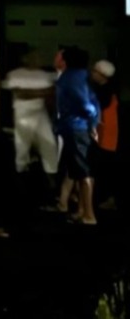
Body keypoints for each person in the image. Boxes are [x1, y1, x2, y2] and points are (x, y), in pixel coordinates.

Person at [50, 45, 101, 224]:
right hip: (79, 127)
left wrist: (91, 116)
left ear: (66, 60)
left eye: (59, 55)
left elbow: (85, 103)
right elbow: (94, 101)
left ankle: (88, 214)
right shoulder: (84, 75)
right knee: (79, 171)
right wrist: (94, 122)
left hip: (75, 127)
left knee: (83, 171)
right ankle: (81, 210)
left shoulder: (70, 77)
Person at [3, 48, 59, 182]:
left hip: (40, 114)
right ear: (25, 59)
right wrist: (42, 92)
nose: (37, 60)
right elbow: (20, 93)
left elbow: (52, 91)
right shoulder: (15, 74)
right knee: (22, 146)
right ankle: (20, 176)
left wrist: (34, 93)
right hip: (22, 114)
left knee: (49, 145)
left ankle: (51, 179)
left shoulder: (45, 75)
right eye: (33, 57)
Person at [91, 60, 118, 210]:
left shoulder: (105, 92)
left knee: (106, 169)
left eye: (95, 71)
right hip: (104, 134)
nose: (92, 73)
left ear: (102, 75)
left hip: (107, 135)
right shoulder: (105, 89)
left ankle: (108, 198)